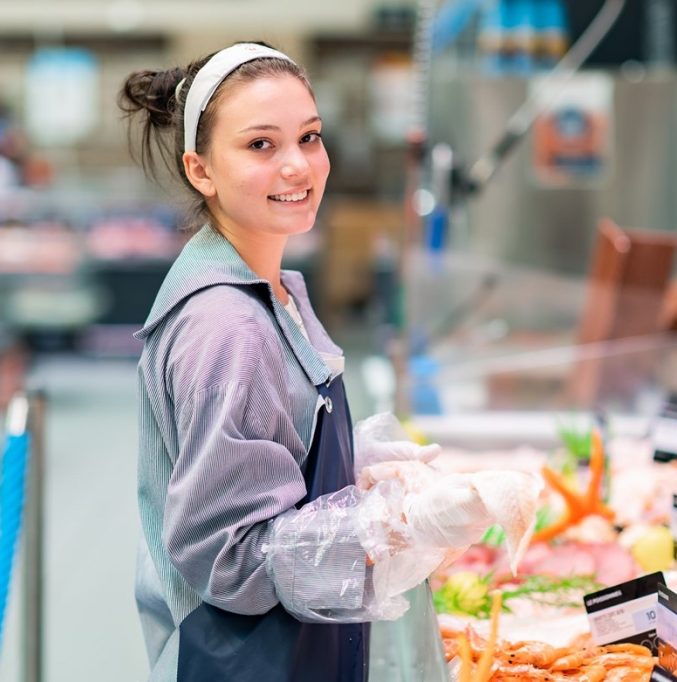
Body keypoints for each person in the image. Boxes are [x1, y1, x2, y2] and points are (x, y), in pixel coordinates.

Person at [121, 42, 531, 682]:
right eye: (261, 145)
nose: (297, 165)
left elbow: (256, 457)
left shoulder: (271, 287)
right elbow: (230, 559)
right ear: (201, 171)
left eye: (310, 138)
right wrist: (392, 528)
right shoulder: (226, 324)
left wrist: (353, 467)